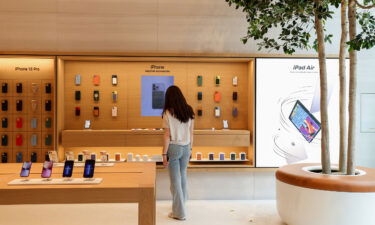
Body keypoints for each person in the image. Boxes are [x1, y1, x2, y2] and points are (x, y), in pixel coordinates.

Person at [162, 85, 195, 221]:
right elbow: (191, 133)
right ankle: (182, 204)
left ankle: (179, 212)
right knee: (182, 177)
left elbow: (167, 135)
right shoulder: (189, 110)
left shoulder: (168, 112)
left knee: (175, 180)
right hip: (187, 147)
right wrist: (191, 149)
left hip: (174, 148)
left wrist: (164, 154)